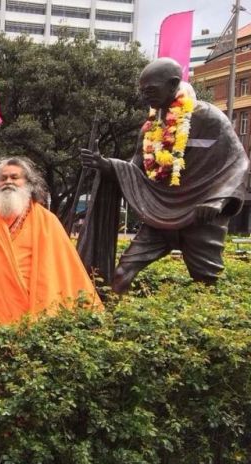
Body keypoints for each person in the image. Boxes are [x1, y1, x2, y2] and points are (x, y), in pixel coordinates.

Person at [80, 58, 248, 293]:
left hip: (201, 215)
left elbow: (238, 163)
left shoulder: (209, 118)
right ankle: (108, 324)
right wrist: (104, 164)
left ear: (173, 85)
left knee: (207, 283)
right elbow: (134, 169)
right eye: (142, 91)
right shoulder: (151, 127)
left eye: (150, 89)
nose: (145, 96)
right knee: (122, 272)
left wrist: (217, 201)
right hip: (160, 216)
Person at [0, 156, 101, 355]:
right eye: (3, 178)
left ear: (28, 184)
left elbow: (62, 268)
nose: (8, 182)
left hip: (33, 310)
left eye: (14, 177)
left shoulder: (47, 221)